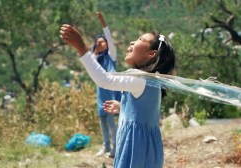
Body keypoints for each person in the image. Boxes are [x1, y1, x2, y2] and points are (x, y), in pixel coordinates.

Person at [60, 22, 175, 168]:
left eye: (140, 39)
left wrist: (81, 47)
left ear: (151, 54)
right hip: (149, 150)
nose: (133, 41)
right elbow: (145, 110)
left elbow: (104, 80)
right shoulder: (153, 81)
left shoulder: (138, 78)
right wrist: (123, 106)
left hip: (135, 149)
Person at [92, 12, 121, 158]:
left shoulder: (111, 55)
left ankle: (116, 148)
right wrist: (95, 50)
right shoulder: (96, 58)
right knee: (102, 120)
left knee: (111, 121)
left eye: (103, 42)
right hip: (100, 93)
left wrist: (102, 21)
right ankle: (106, 146)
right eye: (98, 42)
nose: (100, 43)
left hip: (110, 92)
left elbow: (108, 37)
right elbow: (89, 64)